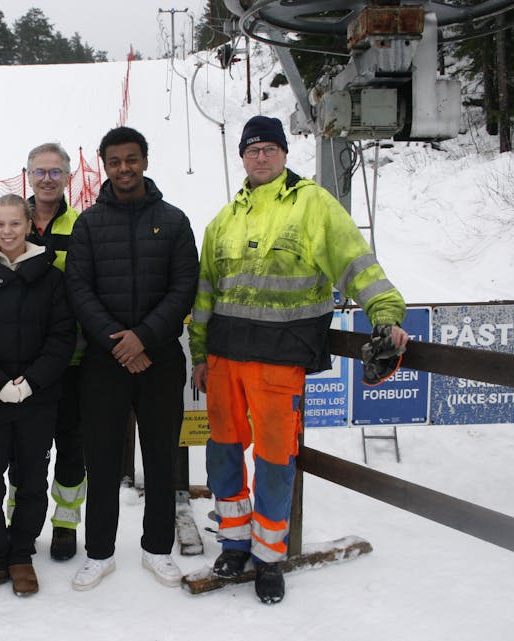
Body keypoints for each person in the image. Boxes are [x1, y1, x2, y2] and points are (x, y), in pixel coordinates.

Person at [189, 115, 409, 604]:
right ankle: (234, 542)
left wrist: (386, 312)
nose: (261, 157)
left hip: (279, 361)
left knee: (273, 460)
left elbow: (355, 263)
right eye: (253, 150)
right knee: (223, 455)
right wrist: (199, 354)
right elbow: (204, 294)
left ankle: (269, 557)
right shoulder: (223, 221)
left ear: (285, 154)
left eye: (270, 148)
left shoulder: (312, 204)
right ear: (242, 157)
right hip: (225, 362)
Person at [65, 126, 199, 591]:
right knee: (100, 459)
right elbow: (78, 290)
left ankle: (157, 548)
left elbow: (184, 288)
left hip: (159, 358)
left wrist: (142, 338)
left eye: (132, 159)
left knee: (161, 457)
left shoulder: (174, 221)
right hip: (105, 361)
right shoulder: (88, 224)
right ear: (104, 164)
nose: (124, 168)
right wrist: (118, 342)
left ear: (144, 160)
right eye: (115, 161)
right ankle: (99, 552)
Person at [0, 194, 76, 597]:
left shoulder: (51, 278)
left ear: (28, 226)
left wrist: (30, 382)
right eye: (0, 224)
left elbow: (61, 336)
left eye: (15, 224)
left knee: (31, 481)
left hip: (36, 401)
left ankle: (21, 555)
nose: (7, 232)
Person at [10, 142, 86, 562]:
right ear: (28, 174)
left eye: (55, 172)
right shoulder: (13, 221)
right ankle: (18, 519)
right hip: (21, 361)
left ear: (68, 177)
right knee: (21, 449)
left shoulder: (82, 225)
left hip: (72, 359)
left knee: (72, 445)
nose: (47, 179)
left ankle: (65, 522)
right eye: (40, 171)